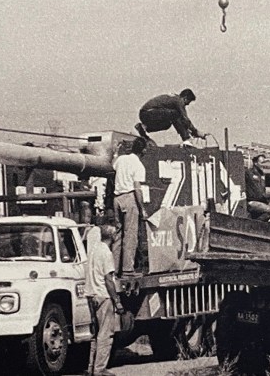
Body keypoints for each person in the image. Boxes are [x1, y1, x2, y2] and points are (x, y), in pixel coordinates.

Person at [85, 224, 123, 376]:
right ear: (112, 236)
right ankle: (100, 369)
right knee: (105, 334)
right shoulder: (106, 253)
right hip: (103, 295)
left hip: (91, 294)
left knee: (95, 335)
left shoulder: (94, 249)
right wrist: (117, 300)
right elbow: (108, 279)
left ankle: (91, 367)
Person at [113, 137, 147, 275]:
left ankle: (114, 269)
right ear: (143, 150)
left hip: (116, 199)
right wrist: (142, 208)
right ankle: (128, 269)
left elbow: (113, 165)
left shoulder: (121, 159)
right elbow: (137, 188)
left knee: (118, 235)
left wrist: (115, 152)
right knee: (130, 235)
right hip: (129, 197)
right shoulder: (138, 165)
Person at [135, 88, 204, 147]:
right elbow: (184, 118)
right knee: (175, 114)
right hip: (147, 113)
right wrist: (195, 132)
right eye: (187, 102)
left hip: (146, 114)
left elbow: (181, 121)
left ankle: (144, 127)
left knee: (167, 124)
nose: (187, 105)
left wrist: (189, 130)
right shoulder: (178, 100)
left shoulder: (174, 99)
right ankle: (186, 139)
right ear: (185, 98)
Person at [245, 154, 270, 221]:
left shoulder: (262, 175)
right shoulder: (249, 173)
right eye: (262, 163)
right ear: (255, 163)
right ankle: (254, 224)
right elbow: (258, 191)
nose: (264, 165)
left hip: (262, 202)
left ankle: (255, 223)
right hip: (252, 201)